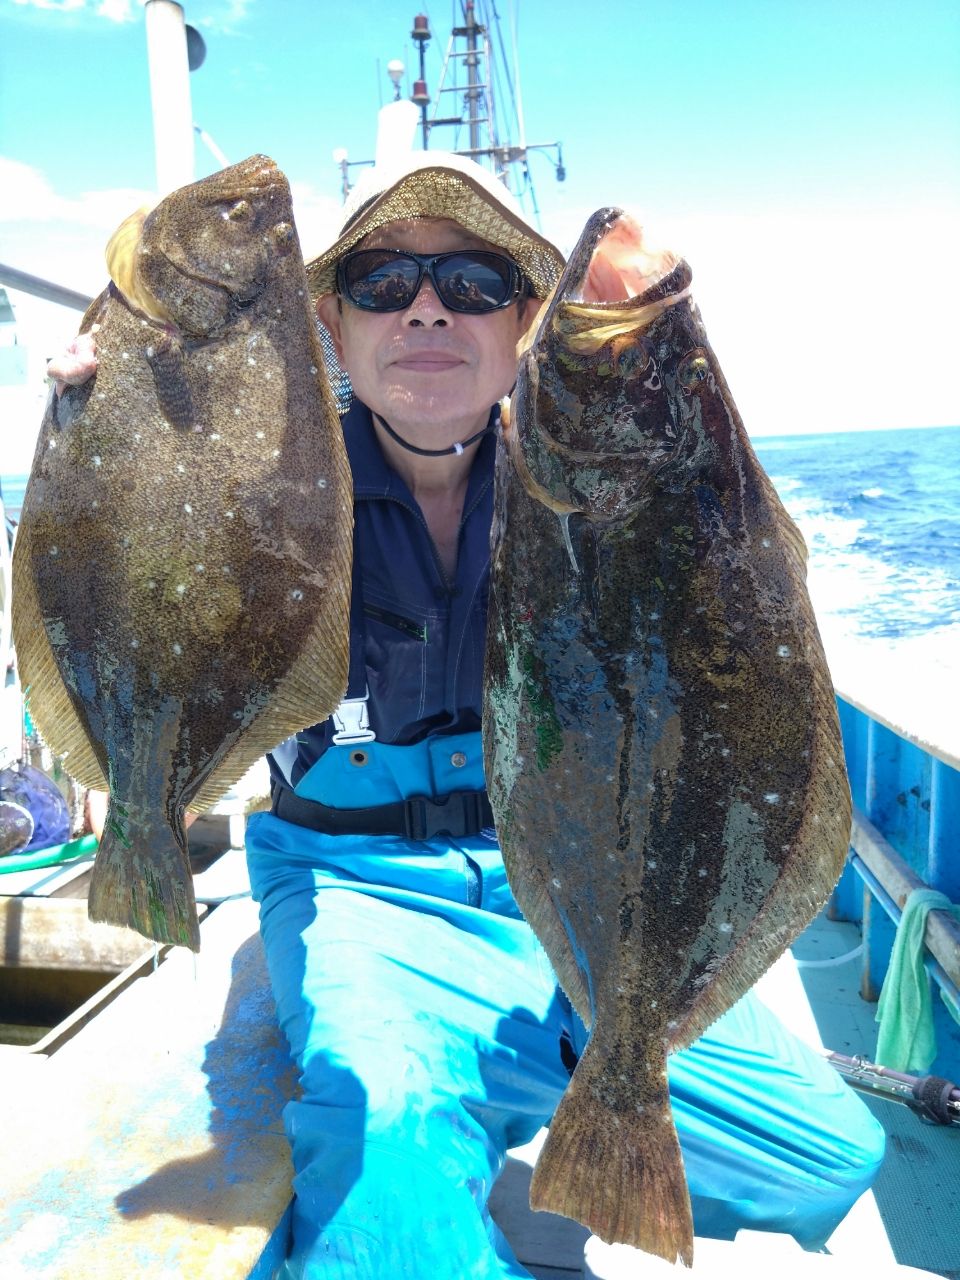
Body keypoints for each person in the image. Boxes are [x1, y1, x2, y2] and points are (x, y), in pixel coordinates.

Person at [50, 152, 885, 1280]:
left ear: (527, 321)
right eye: (384, 280)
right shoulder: (261, 478)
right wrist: (110, 428)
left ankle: (514, 1085)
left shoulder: (597, 480)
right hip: (359, 886)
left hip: (571, 890)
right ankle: (420, 1085)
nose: (429, 308)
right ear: (330, 324)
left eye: (476, 282)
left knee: (828, 1157)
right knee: (392, 1181)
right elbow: (133, 577)